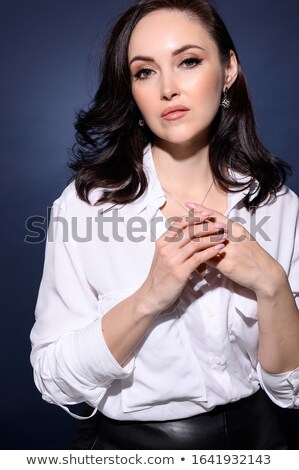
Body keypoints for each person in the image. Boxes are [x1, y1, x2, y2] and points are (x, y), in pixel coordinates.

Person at [30, 0, 299, 450]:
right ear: (131, 89)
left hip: (263, 442)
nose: (168, 88)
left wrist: (270, 283)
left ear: (228, 69)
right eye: (145, 72)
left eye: (189, 62)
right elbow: (54, 380)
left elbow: (290, 390)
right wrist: (150, 297)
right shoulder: (86, 208)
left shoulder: (276, 204)